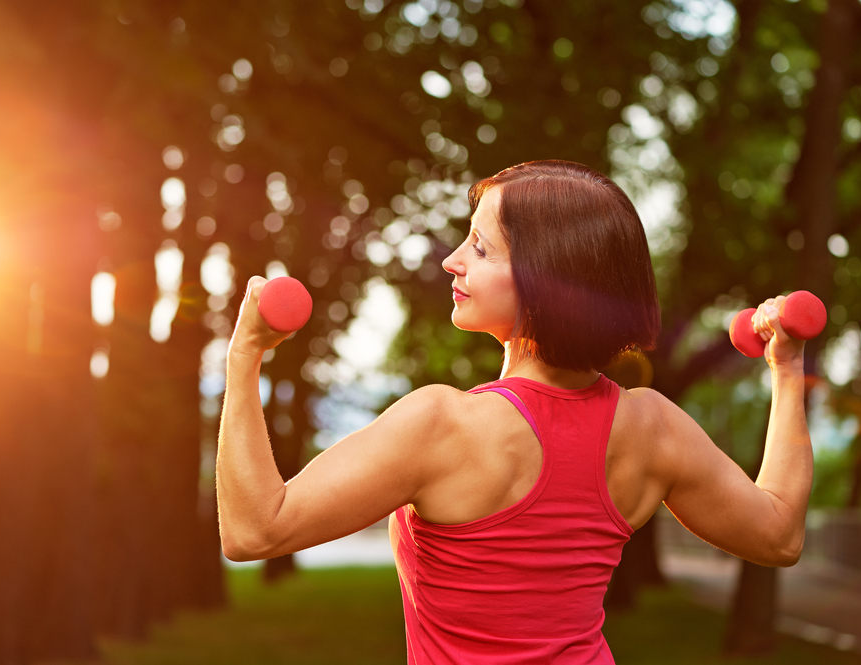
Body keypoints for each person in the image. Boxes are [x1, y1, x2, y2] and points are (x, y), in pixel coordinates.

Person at [217, 160, 813, 664]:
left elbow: (254, 529)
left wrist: (244, 355)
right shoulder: (651, 426)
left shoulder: (441, 425)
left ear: (543, 279)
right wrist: (786, 370)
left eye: (480, 247)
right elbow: (779, 535)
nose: (453, 260)